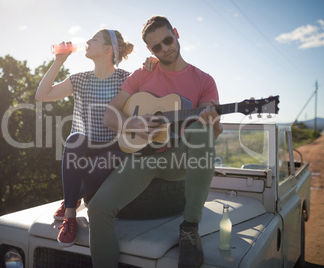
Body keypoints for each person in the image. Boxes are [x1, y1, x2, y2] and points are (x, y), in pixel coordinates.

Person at [88, 16, 223, 267]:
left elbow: (207, 137)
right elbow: (110, 114)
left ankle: (190, 227)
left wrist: (213, 122)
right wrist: (132, 124)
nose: (164, 49)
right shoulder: (142, 74)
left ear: (176, 33)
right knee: (97, 209)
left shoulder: (204, 81)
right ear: (150, 50)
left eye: (167, 40)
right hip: (144, 156)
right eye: (156, 47)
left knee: (201, 128)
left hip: (178, 159)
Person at [35, 29, 155, 248]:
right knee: (74, 139)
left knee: (105, 163)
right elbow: (41, 95)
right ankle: (70, 214)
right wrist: (58, 61)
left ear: (108, 49)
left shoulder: (126, 78)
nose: (88, 42)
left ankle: (73, 195)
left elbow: (154, 94)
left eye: (95, 39)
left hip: (114, 146)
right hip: (84, 145)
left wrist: (152, 66)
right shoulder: (79, 79)